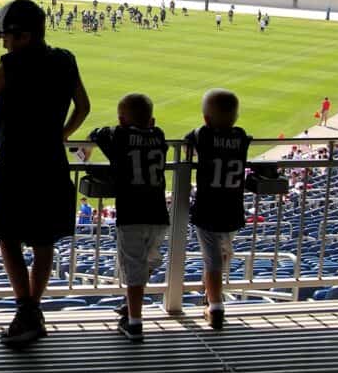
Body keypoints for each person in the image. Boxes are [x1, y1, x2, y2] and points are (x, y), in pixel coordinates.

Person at [0, 0, 90, 346]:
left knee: (8, 237)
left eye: (8, 36)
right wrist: (61, 135)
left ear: (25, 36)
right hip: (53, 162)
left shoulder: (11, 64)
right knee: (44, 242)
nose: (3, 42)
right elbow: (83, 107)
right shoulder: (66, 60)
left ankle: (26, 309)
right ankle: (32, 311)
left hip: (17, 164)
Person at [89, 93, 169, 343]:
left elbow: (99, 134)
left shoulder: (120, 136)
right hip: (158, 213)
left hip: (132, 214)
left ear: (122, 120)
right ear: (152, 120)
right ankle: (130, 305)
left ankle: (134, 323)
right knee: (144, 262)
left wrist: (112, 129)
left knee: (133, 267)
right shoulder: (159, 136)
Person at [185, 89, 251, 331]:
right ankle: (210, 295)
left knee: (212, 258)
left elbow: (188, 140)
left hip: (208, 207)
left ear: (206, 119)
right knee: (222, 252)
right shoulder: (241, 135)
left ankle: (215, 306)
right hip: (233, 208)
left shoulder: (203, 135)